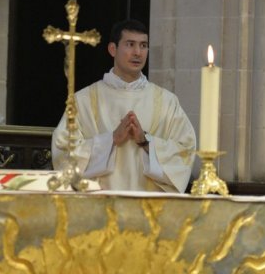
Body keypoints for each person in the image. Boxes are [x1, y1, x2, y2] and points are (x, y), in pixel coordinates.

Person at [51, 19, 196, 192]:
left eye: (143, 45)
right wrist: (111, 140)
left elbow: (185, 151)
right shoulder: (83, 100)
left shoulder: (167, 102)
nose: (138, 52)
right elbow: (63, 154)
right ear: (113, 49)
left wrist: (145, 142)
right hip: (99, 208)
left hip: (151, 210)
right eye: (130, 44)